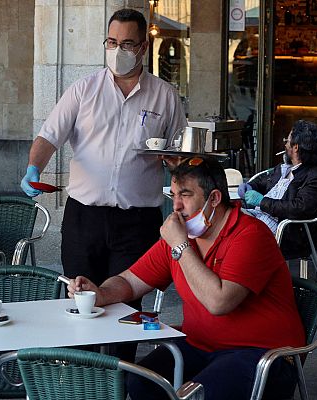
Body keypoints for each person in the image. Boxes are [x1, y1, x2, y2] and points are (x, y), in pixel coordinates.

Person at [67, 157, 305, 400]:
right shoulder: (183, 235)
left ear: (214, 198)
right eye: (173, 195)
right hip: (200, 345)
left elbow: (219, 303)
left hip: (263, 354)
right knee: (141, 382)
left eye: (186, 195)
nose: (176, 206)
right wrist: (101, 293)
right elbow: (130, 281)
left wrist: (180, 246)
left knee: (197, 394)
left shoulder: (249, 234)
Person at [19, 8, 187, 343]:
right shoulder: (84, 90)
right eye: (111, 42)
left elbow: (179, 155)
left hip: (137, 222)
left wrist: (175, 164)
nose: (118, 50)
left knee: (125, 309)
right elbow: (49, 136)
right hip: (85, 219)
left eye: (127, 44)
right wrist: (33, 168)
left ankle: (119, 383)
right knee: (81, 300)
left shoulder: (165, 96)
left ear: (142, 47)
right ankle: (83, 380)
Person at [238, 119, 317, 259]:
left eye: (288, 140)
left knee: (232, 232)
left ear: (296, 147)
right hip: (260, 219)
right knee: (224, 218)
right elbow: (263, 181)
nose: (285, 144)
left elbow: (298, 208)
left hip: (287, 232)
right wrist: (250, 186)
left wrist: (261, 201)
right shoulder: (285, 168)